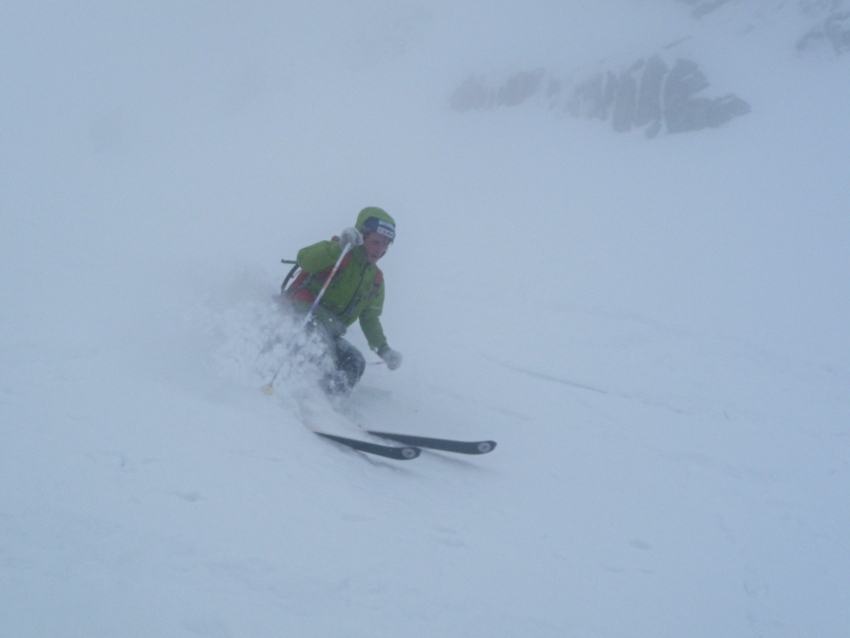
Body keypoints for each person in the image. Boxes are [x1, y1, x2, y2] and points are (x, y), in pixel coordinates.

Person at [284, 207, 403, 396]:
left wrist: (384, 349)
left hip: (330, 331)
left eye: (386, 244)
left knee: (354, 361)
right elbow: (305, 259)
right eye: (376, 242)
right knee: (319, 347)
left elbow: (370, 317)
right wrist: (339, 247)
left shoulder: (375, 279)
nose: (380, 249)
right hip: (299, 317)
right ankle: (300, 395)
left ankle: (328, 403)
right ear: (363, 238)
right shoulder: (338, 252)